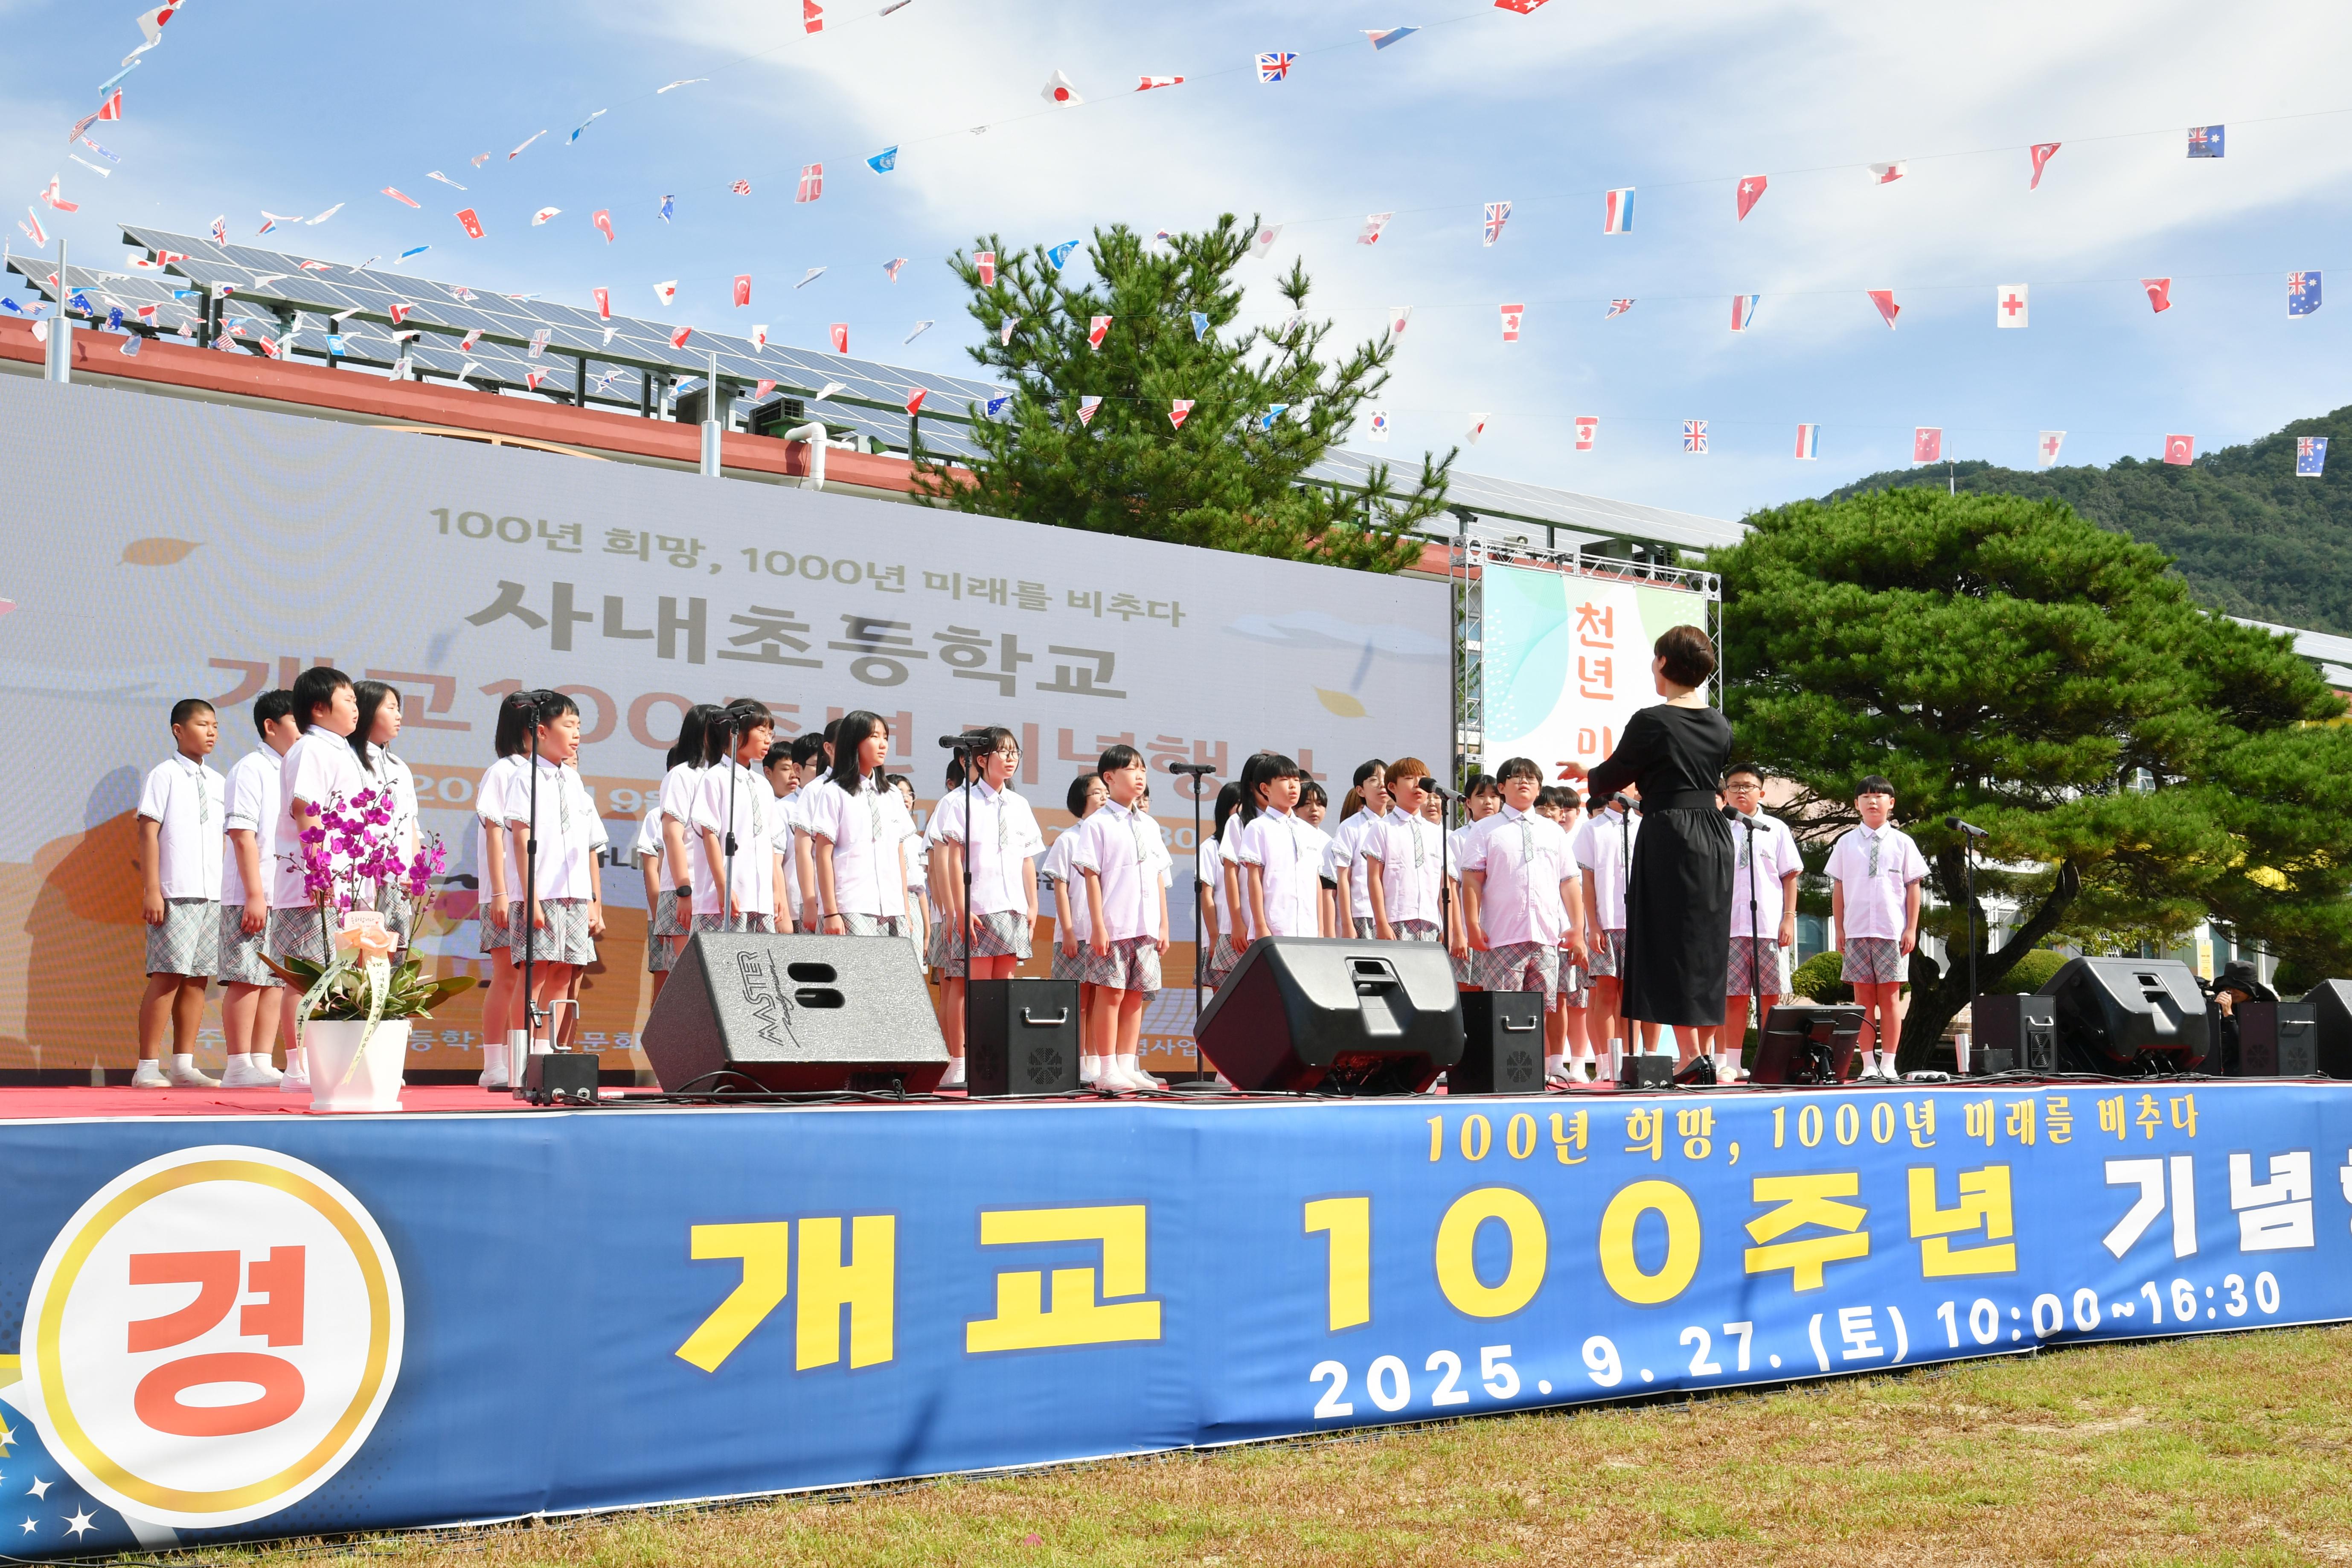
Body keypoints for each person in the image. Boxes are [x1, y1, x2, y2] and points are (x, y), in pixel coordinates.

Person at [1579, 625, 1736, 1070]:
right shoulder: (1719, 724)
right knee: (1703, 941)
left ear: (1664, 663)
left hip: (1672, 832)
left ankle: (1690, 1056)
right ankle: (1699, 1053)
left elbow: (1611, 775)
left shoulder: (1651, 720)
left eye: (1655, 659)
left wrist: (1587, 774)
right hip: (1714, 834)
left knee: (1668, 939)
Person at [268, 666, 369, 1093]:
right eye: (348, 700)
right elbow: (304, 808)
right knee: (306, 974)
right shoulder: (311, 748)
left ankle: (331, 1064)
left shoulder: (342, 751)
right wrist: (318, 866)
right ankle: (297, 1068)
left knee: (339, 973)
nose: (355, 708)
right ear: (319, 707)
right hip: (315, 882)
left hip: (345, 883)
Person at [1460, 757, 1589, 1084]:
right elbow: (1472, 880)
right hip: (1502, 934)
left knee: (1541, 1010)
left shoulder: (1552, 831)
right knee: (1503, 1009)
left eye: (1530, 778)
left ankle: (1534, 1073)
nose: (1523, 782)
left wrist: (1577, 928)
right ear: (1501, 787)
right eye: (1515, 777)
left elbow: (1569, 881)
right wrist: (1472, 925)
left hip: (1546, 935)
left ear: (1538, 786)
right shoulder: (1484, 828)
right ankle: (1501, 1075)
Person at [930, 728, 1044, 1088]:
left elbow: (1027, 859)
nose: (1011, 759)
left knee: (1002, 988)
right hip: (978, 906)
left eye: (1015, 752)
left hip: (1011, 907)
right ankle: (959, 1061)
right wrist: (960, 909)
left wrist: (1032, 903)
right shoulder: (959, 802)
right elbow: (950, 860)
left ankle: (993, 1055)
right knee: (968, 987)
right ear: (981, 760)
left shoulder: (1020, 805)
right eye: (1002, 752)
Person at [133, 697, 224, 1088]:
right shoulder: (164, 775)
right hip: (175, 891)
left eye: (215, 726)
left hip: (212, 893)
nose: (211, 733)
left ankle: (183, 1065)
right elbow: (148, 833)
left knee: (198, 979)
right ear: (178, 730)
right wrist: (152, 889)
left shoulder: (220, 782)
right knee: (168, 975)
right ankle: (147, 1066)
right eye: (203, 725)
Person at [506, 693, 605, 1048]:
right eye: (568, 725)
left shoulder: (574, 781)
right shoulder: (524, 777)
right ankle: (520, 1055)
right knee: (534, 974)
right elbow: (521, 840)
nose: (577, 733)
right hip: (541, 891)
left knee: (564, 973)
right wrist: (530, 897)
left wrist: (594, 901)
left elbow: (589, 845)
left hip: (574, 893)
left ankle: (545, 1050)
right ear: (543, 731)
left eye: (579, 725)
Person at [1070, 745, 1169, 1091]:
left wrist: (1163, 924)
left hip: (1145, 924)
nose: (1139, 776)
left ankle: (1128, 1065)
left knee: (1135, 996)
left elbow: (1158, 875)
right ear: (1109, 778)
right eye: (1131, 769)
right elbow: (1091, 876)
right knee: (1110, 995)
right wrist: (1097, 925)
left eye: (1143, 769)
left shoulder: (1150, 824)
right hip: (1114, 923)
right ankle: (1106, 1068)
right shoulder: (1096, 824)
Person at [217, 690, 298, 1089]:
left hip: (282, 893)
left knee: (275, 979)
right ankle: (237, 1064)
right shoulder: (250, 768)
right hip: (251, 890)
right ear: (271, 726)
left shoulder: (293, 770)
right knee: (246, 977)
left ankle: (262, 1060)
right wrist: (254, 894)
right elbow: (242, 834)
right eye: (296, 723)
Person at [1825, 774, 1928, 1082]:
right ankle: (1868, 1064)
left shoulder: (1902, 842)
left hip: (1891, 932)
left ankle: (1890, 1064)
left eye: (1879, 796)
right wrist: (1840, 929)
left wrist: (1911, 929)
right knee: (1862, 1001)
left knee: (1890, 998)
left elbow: (1913, 888)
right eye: (1866, 796)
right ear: (1856, 804)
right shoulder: (1846, 843)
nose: (1873, 801)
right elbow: (1839, 888)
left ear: (1891, 803)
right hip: (1856, 931)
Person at [1718, 763, 1803, 1085]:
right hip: (1729, 927)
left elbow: (1789, 876)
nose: (1741, 791)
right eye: (1734, 785)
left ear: (1761, 792)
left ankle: (1772, 1061)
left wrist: (1789, 918)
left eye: (1748, 786)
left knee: (1770, 996)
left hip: (1768, 924)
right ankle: (1733, 1063)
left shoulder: (1776, 828)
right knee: (1734, 997)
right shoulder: (1719, 827)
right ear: (1725, 792)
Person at [473, 691, 538, 1089]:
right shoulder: (503, 771)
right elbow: (495, 835)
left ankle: (523, 1058)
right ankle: (493, 1063)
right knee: (506, 976)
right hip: (505, 893)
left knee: (529, 978)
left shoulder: (542, 772)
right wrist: (499, 892)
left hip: (532, 893)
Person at [804, 710, 915, 937]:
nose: (883, 744)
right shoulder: (833, 792)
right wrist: (831, 913)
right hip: (851, 906)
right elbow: (823, 855)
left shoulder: (893, 794)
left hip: (893, 908)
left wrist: (905, 909)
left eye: (886, 737)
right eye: (875, 737)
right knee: (855, 973)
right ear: (854, 742)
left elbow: (899, 853)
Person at [690, 700, 781, 933]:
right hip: (723, 900)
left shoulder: (762, 784)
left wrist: (777, 890)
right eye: (761, 731)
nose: (768, 739)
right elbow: (709, 834)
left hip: (760, 900)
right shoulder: (716, 778)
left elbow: (767, 841)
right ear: (735, 732)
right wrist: (723, 886)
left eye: (771, 733)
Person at [349, 681, 421, 948]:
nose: (399, 716)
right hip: (361, 880)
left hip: (397, 881)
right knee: (359, 959)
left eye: (398, 708)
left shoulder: (399, 767)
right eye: (390, 708)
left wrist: (415, 870)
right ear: (366, 712)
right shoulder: (349, 761)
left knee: (393, 958)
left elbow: (410, 823)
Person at [1573, 790, 1642, 1066]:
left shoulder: (1645, 825)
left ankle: (1629, 1060)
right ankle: (1605, 1063)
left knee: (1632, 997)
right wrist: (1592, 924)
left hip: (1638, 924)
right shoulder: (1592, 828)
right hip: (1606, 923)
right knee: (1605, 991)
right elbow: (1587, 882)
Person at [1041, 774, 1108, 1041]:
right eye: (1097, 793)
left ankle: (1095, 1062)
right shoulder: (1069, 839)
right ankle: (1076, 1062)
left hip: (1104, 935)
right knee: (1077, 1003)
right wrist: (1068, 931)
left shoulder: (1108, 837)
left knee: (1099, 1002)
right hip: (1077, 933)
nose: (1105, 797)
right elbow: (1060, 887)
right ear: (1082, 798)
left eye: (1107, 792)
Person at [1535, 785, 1595, 1078]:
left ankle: (1567, 1064)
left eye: (1555, 808)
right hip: (1540, 933)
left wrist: (1580, 932)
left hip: (1570, 932)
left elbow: (1579, 891)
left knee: (1573, 999)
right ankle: (1544, 1062)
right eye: (1542, 807)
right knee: (1548, 1002)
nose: (1549, 813)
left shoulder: (1573, 842)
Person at [656, 703, 721, 970]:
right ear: (704, 733)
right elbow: (673, 836)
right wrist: (684, 890)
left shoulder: (723, 776)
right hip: (687, 887)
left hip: (713, 888)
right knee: (688, 975)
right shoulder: (681, 775)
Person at [1239, 754, 1326, 939]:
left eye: (1296, 780)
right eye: (1285, 780)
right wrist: (1261, 927)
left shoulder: (1309, 831)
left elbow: (1315, 882)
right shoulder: (1258, 827)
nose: (1293, 786)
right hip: (1274, 929)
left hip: (1308, 930)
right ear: (1265, 788)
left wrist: (1320, 930)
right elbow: (1254, 879)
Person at [1364, 758, 1445, 944]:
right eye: (1410, 778)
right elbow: (1374, 878)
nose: (1418, 784)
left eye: (1423, 779)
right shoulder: (1383, 828)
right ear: (1392, 787)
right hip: (1396, 920)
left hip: (1431, 923)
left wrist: (1447, 926)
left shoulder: (1436, 832)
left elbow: (1443, 886)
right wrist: (1382, 923)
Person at [1329, 759, 1389, 937]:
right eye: (1374, 780)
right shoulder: (1350, 827)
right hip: (1363, 913)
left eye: (1385, 779)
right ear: (1360, 790)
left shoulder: (1396, 825)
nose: (1382, 784)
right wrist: (1347, 924)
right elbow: (1343, 878)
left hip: (1393, 914)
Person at [1200, 780, 1243, 989]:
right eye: (1239, 803)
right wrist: (1214, 936)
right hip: (1222, 932)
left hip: (1247, 934)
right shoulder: (1210, 847)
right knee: (1225, 1006)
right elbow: (1206, 895)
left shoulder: (1251, 840)